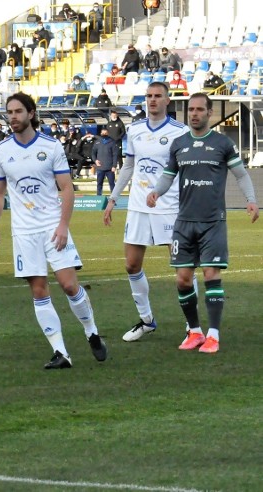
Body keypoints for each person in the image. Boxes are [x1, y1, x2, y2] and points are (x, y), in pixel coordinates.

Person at [0, 92, 107, 369]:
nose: (13, 117)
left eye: (18, 111)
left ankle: (92, 332)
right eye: (9, 112)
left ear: (31, 113)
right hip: (24, 231)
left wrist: (63, 225)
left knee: (68, 285)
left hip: (52, 226)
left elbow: (66, 188)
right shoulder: (2, 150)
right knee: (39, 291)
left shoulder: (51, 146)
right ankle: (61, 352)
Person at [146, 92, 258, 353]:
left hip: (212, 222)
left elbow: (241, 175)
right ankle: (195, 332)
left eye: (199, 109)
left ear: (209, 113)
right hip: (184, 221)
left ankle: (214, 335)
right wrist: (156, 191)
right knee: (183, 279)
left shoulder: (222, 144)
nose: (194, 114)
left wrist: (251, 200)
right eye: (191, 110)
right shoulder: (179, 144)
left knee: (210, 274)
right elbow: (167, 176)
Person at [103, 81, 190, 342]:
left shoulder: (180, 131)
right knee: (131, 264)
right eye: (149, 96)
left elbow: (187, 170)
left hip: (170, 207)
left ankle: (192, 325)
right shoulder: (136, 129)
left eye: (157, 96)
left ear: (167, 100)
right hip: (138, 206)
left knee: (182, 267)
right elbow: (129, 166)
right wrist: (113, 199)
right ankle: (147, 320)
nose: (152, 100)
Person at [92, 128, 117, 195]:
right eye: (103, 133)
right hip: (100, 167)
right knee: (99, 184)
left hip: (110, 168)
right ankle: (99, 198)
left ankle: (113, 199)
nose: (104, 134)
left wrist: (114, 166)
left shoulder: (112, 142)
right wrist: (95, 160)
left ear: (108, 133)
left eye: (105, 133)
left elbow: (115, 155)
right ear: (100, 134)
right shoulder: (97, 142)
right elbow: (93, 153)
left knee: (112, 184)